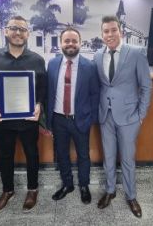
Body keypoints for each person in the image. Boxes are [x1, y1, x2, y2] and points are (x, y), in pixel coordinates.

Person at [0, 15, 46, 214]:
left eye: (22, 29)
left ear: (28, 34)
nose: (18, 33)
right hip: (3, 120)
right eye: (14, 28)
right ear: (6, 31)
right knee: (5, 156)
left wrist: (39, 105)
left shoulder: (37, 59)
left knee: (32, 154)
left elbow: (43, 87)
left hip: (28, 120)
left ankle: (32, 190)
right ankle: (8, 191)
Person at [93, 16, 152, 218]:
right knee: (108, 157)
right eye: (105, 31)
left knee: (127, 159)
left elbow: (146, 86)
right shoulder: (97, 55)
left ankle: (131, 196)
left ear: (120, 31)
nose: (109, 35)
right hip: (105, 115)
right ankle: (110, 191)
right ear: (102, 35)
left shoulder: (135, 53)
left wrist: (141, 115)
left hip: (129, 117)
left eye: (113, 30)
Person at [47, 27, 99, 204]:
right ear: (61, 43)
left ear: (80, 43)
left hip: (80, 119)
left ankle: (84, 185)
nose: (70, 44)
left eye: (74, 41)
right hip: (58, 119)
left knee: (83, 155)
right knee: (62, 154)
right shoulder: (53, 64)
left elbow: (94, 95)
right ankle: (67, 184)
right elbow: (49, 92)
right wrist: (47, 121)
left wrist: (91, 119)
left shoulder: (89, 66)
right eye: (66, 41)